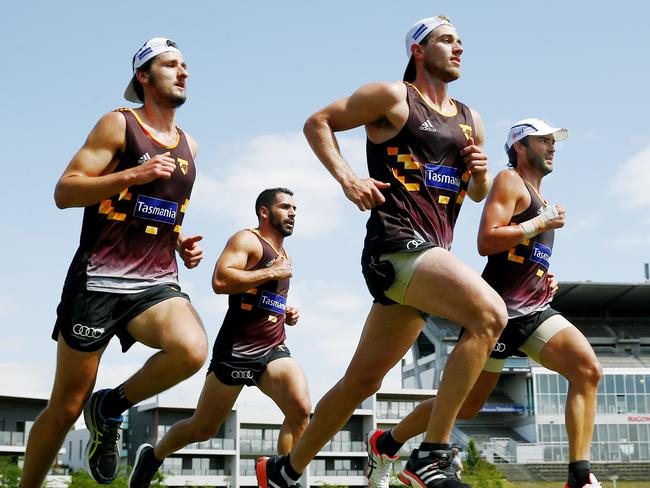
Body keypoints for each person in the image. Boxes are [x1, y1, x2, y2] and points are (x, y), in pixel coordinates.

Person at [256, 16, 508, 488]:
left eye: (461, 42)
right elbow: (319, 122)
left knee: (362, 381)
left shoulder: (471, 119)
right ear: (418, 49)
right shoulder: (393, 97)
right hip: (395, 245)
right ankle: (432, 454)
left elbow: (474, 195)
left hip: (432, 253)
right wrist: (348, 178)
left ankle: (284, 471)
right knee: (490, 315)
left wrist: (478, 175)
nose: (458, 48)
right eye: (446, 40)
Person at [364, 119, 603, 488]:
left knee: (587, 371)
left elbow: (525, 255)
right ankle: (387, 442)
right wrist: (538, 223)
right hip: (498, 314)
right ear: (521, 147)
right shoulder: (510, 182)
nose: (553, 147)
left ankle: (579, 475)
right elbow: (487, 240)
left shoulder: (541, 199)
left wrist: (543, 276)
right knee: (467, 405)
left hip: (535, 310)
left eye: (555, 142)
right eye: (544, 141)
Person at [20, 38, 209, 488]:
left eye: (185, 65)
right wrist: (133, 173)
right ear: (143, 76)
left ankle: (109, 408)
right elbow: (65, 191)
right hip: (97, 281)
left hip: (155, 282)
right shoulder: (118, 125)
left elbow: (151, 209)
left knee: (192, 350)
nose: (182, 71)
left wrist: (179, 241)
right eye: (169, 65)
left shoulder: (190, 147)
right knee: (66, 406)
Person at [128, 188, 311, 488]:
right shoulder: (247, 240)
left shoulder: (283, 253)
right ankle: (153, 456)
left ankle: (281, 480)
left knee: (300, 408)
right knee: (202, 428)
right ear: (265, 212)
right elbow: (221, 280)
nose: (293, 213)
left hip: (272, 349)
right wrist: (270, 273)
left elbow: (260, 297)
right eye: (285, 207)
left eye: (295, 208)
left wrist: (284, 312)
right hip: (235, 351)